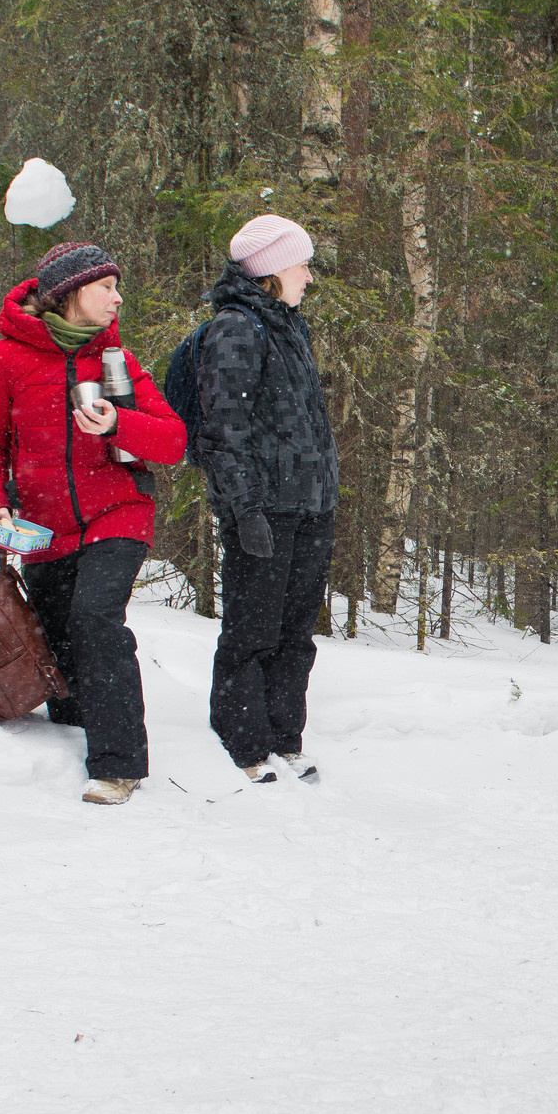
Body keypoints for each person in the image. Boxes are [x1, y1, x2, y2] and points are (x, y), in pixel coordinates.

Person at [0, 242, 188, 805]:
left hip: (118, 512)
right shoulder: (3, 359)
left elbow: (172, 442)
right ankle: (65, 732)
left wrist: (118, 424)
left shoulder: (117, 362)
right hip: (42, 528)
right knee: (56, 637)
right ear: (69, 294)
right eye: (106, 287)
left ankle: (118, 764)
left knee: (95, 620)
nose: (118, 298)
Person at [192, 215, 338, 785]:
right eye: (301, 264)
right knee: (252, 629)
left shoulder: (289, 325)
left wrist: (322, 497)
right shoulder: (235, 328)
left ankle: (284, 735)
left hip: (309, 505)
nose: (308, 275)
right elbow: (221, 431)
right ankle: (243, 740)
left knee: (296, 631)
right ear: (274, 270)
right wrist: (245, 509)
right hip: (263, 508)